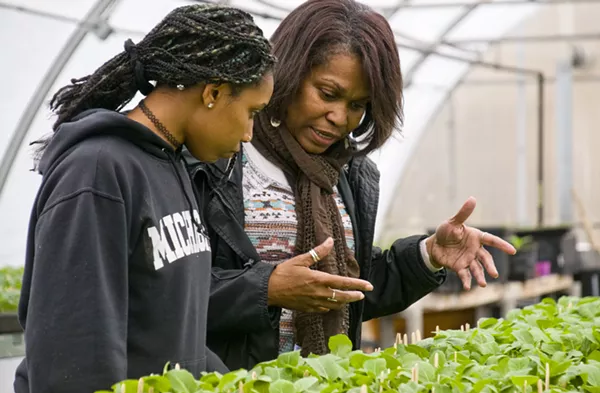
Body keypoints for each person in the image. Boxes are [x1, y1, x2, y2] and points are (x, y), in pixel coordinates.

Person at [185, 0, 516, 369]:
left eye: (358, 104)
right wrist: (269, 288)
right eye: (327, 93)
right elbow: (170, 293)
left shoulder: (344, 174)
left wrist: (428, 255)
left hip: (323, 380)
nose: (340, 118)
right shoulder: (217, 160)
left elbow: (351, 286)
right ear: (290, 73)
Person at [14, 4, 275, 393]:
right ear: (213, 92)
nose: (250, 133)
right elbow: (73, 361)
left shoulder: (171, 166)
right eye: (252, 112)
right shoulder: (97, 172)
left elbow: (175, 339)